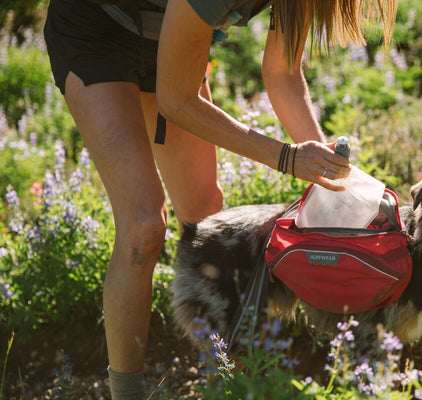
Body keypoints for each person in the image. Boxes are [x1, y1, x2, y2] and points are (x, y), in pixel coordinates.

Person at [43, 0, 397, 398]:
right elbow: (177, 102)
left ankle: (225, 379)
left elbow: (282, 71)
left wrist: (331, 170)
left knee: (206, 215)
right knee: (143, 226)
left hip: (167, 42)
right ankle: (127, 393)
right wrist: (287, 157)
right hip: (97, 31)